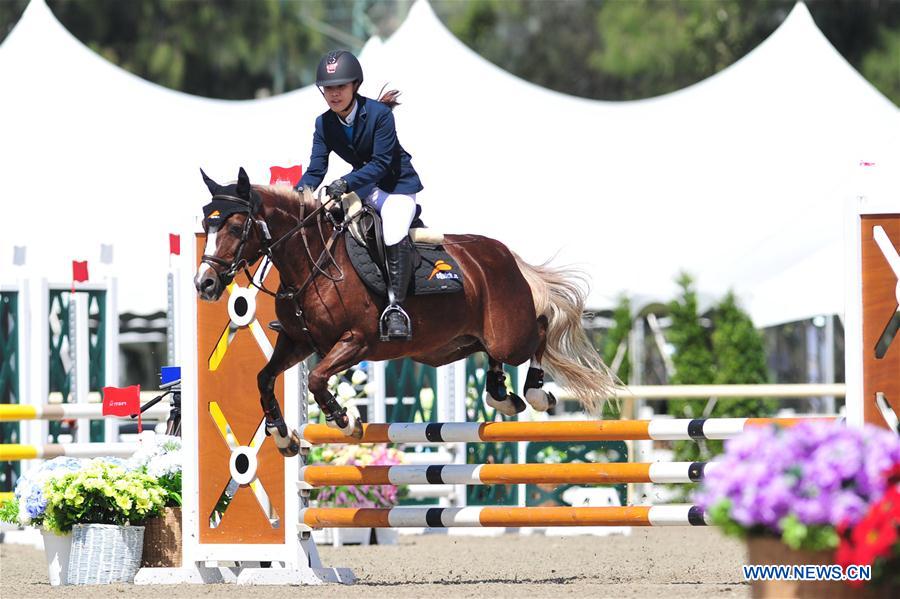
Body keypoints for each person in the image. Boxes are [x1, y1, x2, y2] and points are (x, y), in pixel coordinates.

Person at [296, 50, 423, 341]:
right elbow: (316, 170)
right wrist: (296, 196)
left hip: (397, 188)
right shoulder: (323, 123)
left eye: (340, 87)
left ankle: (396, 308)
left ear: (355, 85)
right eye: (328, 88)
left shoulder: (379, 115)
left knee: (391, 231)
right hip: (366, 188)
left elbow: (380, 164)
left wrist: (344, 182)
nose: (334, 94)